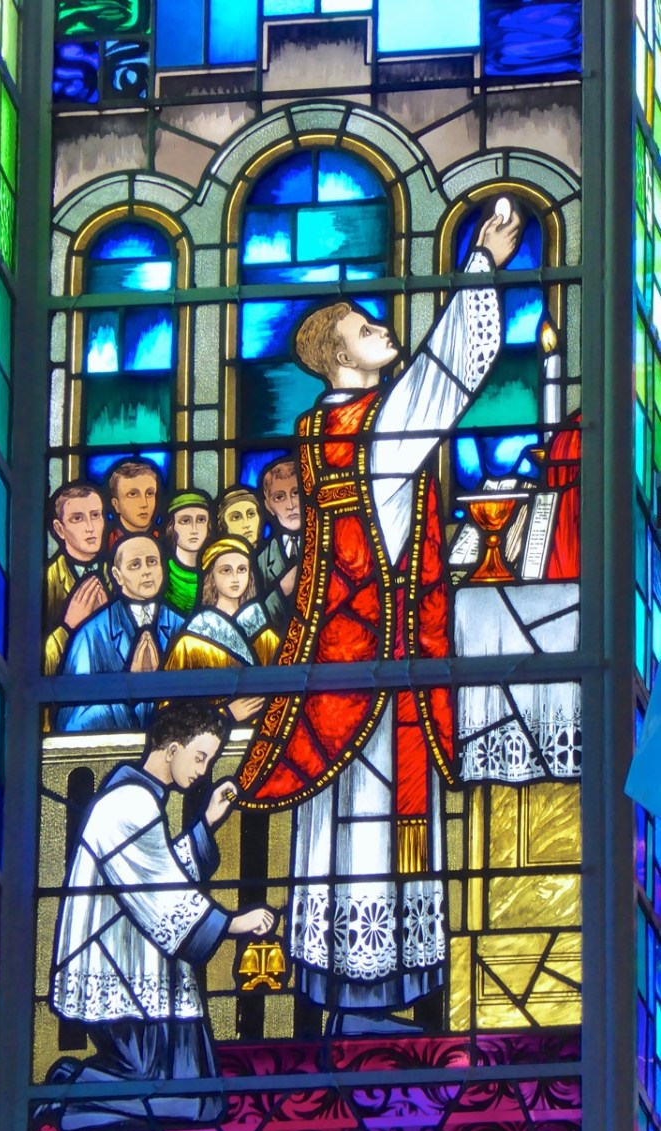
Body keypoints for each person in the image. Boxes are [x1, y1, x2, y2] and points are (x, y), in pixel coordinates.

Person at [239, 203, 522, 1026]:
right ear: (337, 357)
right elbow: (448, 374)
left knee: (353, 835)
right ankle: (368, 1000)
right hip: (368, 671)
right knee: (367, 837)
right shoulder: (368, 426)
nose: (382, 328)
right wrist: (480, 264)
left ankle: (361, 993)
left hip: (356, 654)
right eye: (366, 327)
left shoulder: (333, 430)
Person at [48, 701, 275, 1129]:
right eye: (200, 757)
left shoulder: (141, 800)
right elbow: (160, 896)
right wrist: (232, 924)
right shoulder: (128, 804)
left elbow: (162, 872)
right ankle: (72, 1096)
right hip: (125, 986)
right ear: (171, 749)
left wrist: (207, 821)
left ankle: (79, 1092)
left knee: (203, 1098)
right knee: (194, 1103)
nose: (203, 772)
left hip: (144, 977)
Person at [56, 535, 184, 732]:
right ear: (117, 575)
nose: (146, 572)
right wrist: (129, 691)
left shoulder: (182, 627)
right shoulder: (91, 635)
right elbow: (73, 722)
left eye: (152, 562)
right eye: (135, 565)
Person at [164, 537, 279, 677]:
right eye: (226, 570)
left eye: (242, 569)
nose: (235, 577)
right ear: (211, 576)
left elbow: (282, 681)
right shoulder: (192, 638)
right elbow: (171, 692)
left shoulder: (263, 632)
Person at [44, 483, 110, 675]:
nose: (90, 527)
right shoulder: (47, 582)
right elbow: (37, 664)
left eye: (96, 515)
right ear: (59, 528)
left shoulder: (119, 573)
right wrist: (68, 627)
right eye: (77, 519)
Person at [256, 457, 303, 631]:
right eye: (279, 497)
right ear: (268, 506)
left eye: (296, 492)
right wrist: (282, 590)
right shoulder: (261, 560)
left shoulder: (332, 544)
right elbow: (256, 618)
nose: (290, 505)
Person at [162, 490, 212, 616]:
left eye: (201, 520)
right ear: (171, 527)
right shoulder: (161, 572)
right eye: (185, 521)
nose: (194, 529)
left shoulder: (216, 572)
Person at [106, 459, 162, 550]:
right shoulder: (105, 543)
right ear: (116, 505)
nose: (144, 504)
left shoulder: (166, 540)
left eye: (149, 493)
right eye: (133, 494)